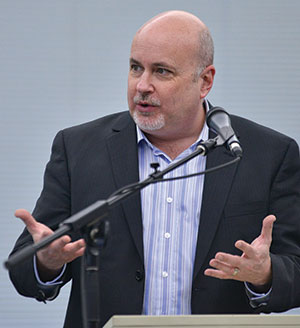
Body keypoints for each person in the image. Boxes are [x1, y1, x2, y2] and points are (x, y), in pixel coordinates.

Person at [9, 10, 300, 328]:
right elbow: (26, 271)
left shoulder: (267, 154)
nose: (142, 85)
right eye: (136, 68)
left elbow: (294, 272)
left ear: (204, 81)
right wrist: (45, 261)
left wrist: (266, 274)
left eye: (161, 71)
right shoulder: (78, 148)